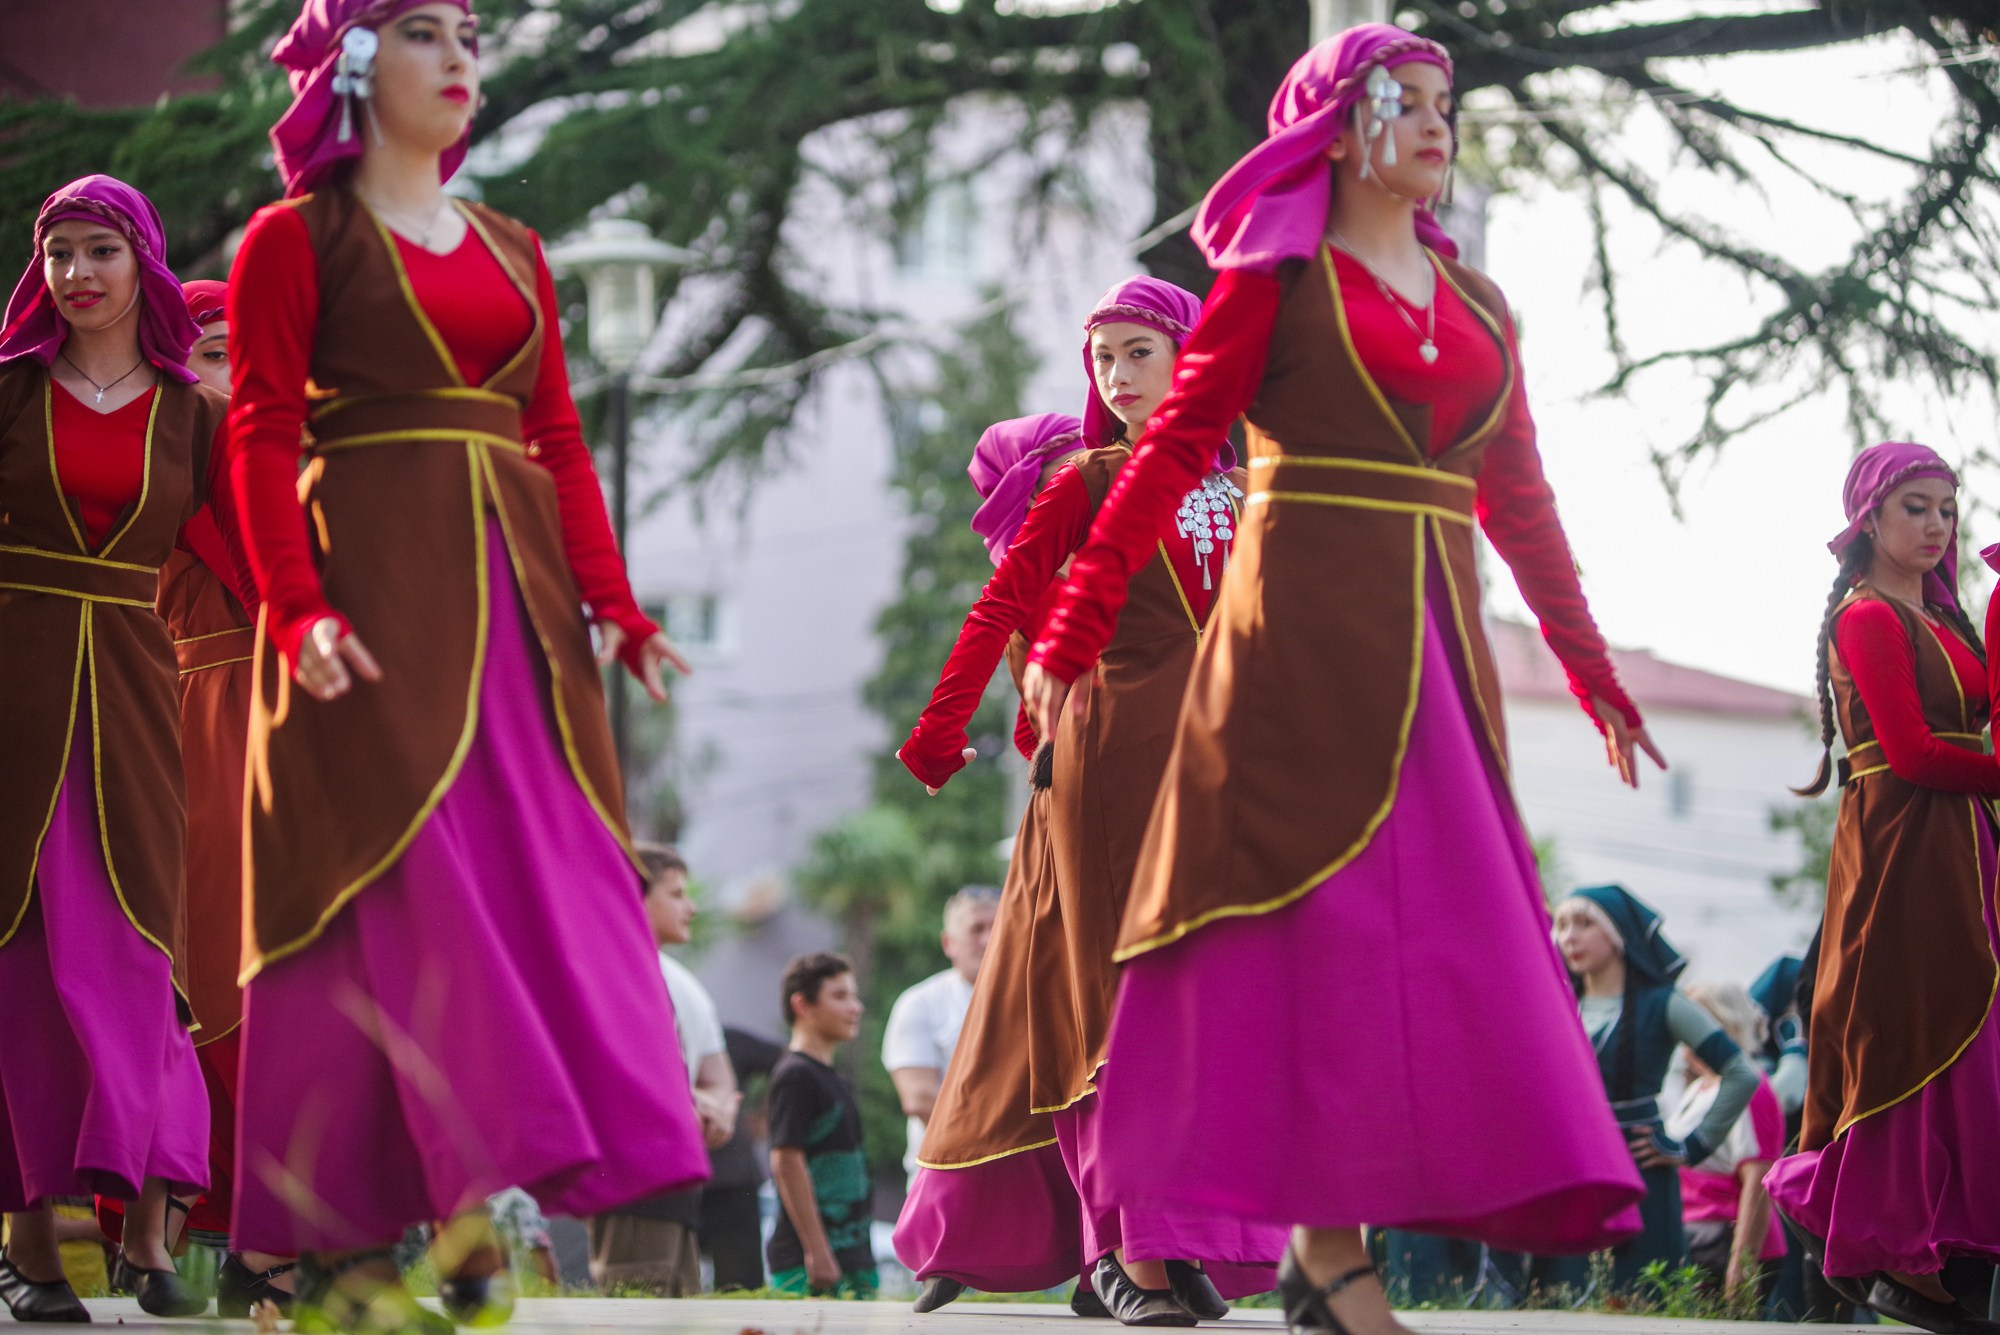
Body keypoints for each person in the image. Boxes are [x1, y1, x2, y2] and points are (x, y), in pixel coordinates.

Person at [1021, 26, 1661, 1335]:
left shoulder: (1482, 307)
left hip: (1434, 636)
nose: (1436, 123)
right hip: (1290, 636)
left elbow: (1521, 498)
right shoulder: (1276, 274)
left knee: (1430, 932)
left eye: (1446, 102)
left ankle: (1333, 1247)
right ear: (1337, 122)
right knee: (1307, 923)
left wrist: (1591, 667)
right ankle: (1324, 1250)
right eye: (1404, 102)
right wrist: (1065, 628)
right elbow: (1168, 454)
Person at [224, 4, 710, 1331]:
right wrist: (296, 607)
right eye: (428, 31)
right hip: (372, 608)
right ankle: (411, 1220)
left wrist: (616, 604)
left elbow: (555, 433)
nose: (461, 57)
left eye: (473, 36)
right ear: (360, 66)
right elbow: (262, 428)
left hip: (521, 616)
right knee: (410, 891)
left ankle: (453, 1209)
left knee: (540, 879)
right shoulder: (295, 239)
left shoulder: (515, 249)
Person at [899, 288, 1290, 1324]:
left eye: (1138, 352)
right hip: (1113, 754)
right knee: (1116, 1006)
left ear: (1190, 357)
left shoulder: (1252, 479)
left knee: (1216, 1006)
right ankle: (1134, 1250)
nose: (1116, 375)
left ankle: (1174, 1236)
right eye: (1103, 359)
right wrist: (940, 734)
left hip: (1227, 758)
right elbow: (1003, 604)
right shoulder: (1086, 478)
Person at [0, 174, 230, 1323]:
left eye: (99, 251)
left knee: (139, 957)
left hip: (138, 705)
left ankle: (148, 1233)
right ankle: (33, 1248)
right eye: (58, 255)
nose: (77, 274)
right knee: (19, 966)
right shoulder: (6, 396)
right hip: (12, 695)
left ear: (143, 262)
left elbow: (268, 557)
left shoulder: (196, 415)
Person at [1765, 442, 2000, 1335]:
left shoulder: (1948, 619)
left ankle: (1944, 1254)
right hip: (1902, 846)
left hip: (1961, 841)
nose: (1938, 525)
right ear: (1868, 518)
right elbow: (1913, 755)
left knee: (1971, 1031)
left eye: (1947, 506)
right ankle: (1899, 1249)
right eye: (1916, 506)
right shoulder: (1867, 618)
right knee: (1918, 1028)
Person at [1551, 887, 1757, 1294]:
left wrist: (1689, 1147)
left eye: (1584, 923)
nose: (1569, 937)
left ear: (1618, 934)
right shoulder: (1557, 1003)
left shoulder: (1664, 1004)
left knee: (1645, 1298)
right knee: (1561, 1299)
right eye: (1561, 925)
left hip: (1642, 1172)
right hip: (1572, 1169)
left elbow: (1741, 1073)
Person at [587, 846, 740, 1295]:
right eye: (676, 894)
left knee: (682, 1312)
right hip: (633, 1179)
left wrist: (716, 1109)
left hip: (683, 1180)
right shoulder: (605, 973)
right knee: (635, 1310)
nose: (691, 907)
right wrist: (684, 1102)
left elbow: (717, 1074)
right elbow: (609, 1072)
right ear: (634, 899)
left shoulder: (685, 984)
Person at [766, 954, 876, 1298]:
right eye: (840, 996)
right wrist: (818, 1251)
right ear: (802, 1005)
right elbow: (786, 1160)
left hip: (853, 1253)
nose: (855, 1007)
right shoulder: (796, 1075)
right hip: (810, 1264)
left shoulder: (835, 1079)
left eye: (854, 996)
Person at [1670, 981, 1785, 1308]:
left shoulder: (1750, 1088)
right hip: (1698, 1240)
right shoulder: (1701, 1087)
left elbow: (1759, 1181)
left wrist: (1742, 1265)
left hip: (1725, 1241)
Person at [882, 886, 999, 1184]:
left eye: (997, 927)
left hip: (1024, 1179)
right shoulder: (921, 1003)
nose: (987, 939)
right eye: (976, 929)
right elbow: (919, 1099)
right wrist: (1003, 1147)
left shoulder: (1035, 1000)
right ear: (949, 943)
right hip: (946, 1174)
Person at [700, 1026, 787, 1292]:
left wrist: (764, 1117)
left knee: (739, 1286)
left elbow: (787, 1060)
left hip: (731, 1178)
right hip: (676, 1180)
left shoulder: (723, 1038)